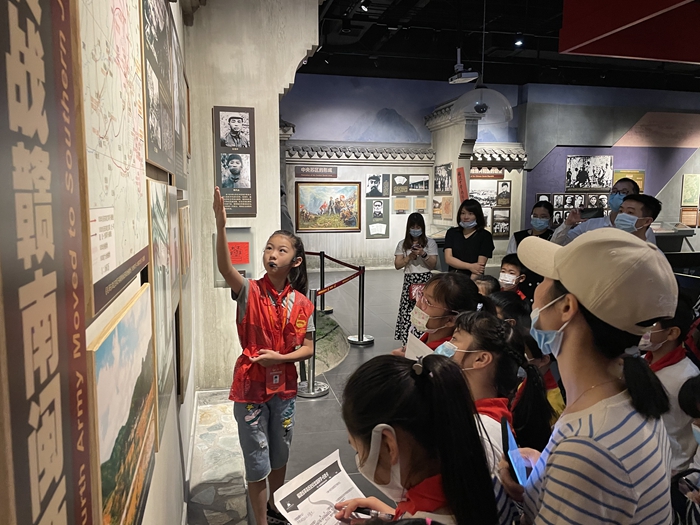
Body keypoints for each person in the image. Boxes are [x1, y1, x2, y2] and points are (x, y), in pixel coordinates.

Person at [499, 227, 676, 524]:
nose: (537, 291)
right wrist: (546, 474)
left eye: (546, 279)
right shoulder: (631, 395)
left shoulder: (586, 447)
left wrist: (566, 468)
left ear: (567, 306)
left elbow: (591, 462)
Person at [213, 187, 314, 525]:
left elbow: (308, 348)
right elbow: (226, 269)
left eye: (281, 250)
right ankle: (260, 520)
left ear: (295, 261)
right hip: (251, 389)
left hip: (284, 389)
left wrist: (280, 359)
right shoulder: (249, 290)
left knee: (280, 450)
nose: (272, 254)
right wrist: (221, 226)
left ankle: (275, 506)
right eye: (269, 248)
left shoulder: (302, 304)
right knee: (256, 458)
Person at [334, 354, 516, 525]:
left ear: (389, 445)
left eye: (358, 450)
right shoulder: (485, 480)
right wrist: (397, 517)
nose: (360, 460)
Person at [438, 310, 555, 453]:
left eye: (454, 339)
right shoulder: (464, 406)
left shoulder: (484, 434)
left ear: (481, 359)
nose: (446, 345)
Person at [643, 293, 699, 475]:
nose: (641, 328)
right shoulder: (643, 362)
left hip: (671, 468)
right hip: (643, 460)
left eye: (651, 324)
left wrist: (690, 476)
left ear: (672, 333)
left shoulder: (687, 378)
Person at [392, 272, 494, 354]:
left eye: (428, 302)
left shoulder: (445, 354)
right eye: (421, 295)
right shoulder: (428, 334)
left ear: (451, 320)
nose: (418, 304)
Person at [551, 177, 656, 245]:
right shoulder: (591, 225)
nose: (617, 195)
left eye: (624, 192)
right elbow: (557, 243)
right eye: (614, 191)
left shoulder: (643, 230)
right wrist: (568, 223)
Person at [394, 213, 438, 344]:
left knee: (425, 310)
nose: (415, 230)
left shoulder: (430, 243)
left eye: (418, 227)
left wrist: (423, 254)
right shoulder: (402, 244)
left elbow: (433, 264)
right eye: (412, 227)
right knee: (408, 311)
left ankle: (423, 340)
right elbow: (397, 265)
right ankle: (407, 342)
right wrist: (409, 257)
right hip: (410, 280)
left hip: (425, 279)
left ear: (422, 227)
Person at [506, 201, 554, 303]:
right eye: (535, 216)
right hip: (520, 285)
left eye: (543, 216)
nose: (538, 219)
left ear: (550, 218)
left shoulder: (554, 238)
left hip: (544, 286)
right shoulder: (518, 237)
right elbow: (510, 262)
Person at [443, 199, 494, 278]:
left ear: (477, 216)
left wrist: (470, 283)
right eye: (463, 213)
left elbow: (479, 268)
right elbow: (448, 259)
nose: (466, 217)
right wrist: (470, 266)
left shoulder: (485, 236)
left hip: (473, 278)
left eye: (470, 214)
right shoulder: (452, 233)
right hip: (452, 278)